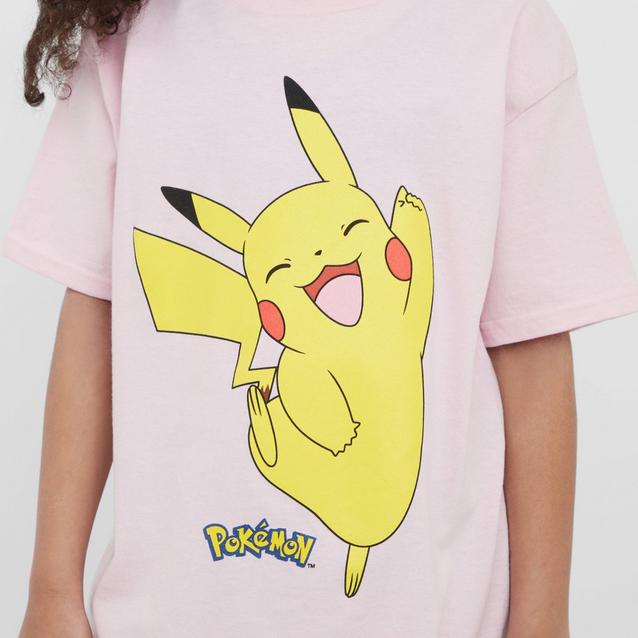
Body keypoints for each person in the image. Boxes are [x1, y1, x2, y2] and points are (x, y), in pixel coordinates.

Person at [6, 1, 638, 636]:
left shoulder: (500, 28)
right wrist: (51, 591)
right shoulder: (126, 27)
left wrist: (542, 619)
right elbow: (94, 308)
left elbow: (531, 342)